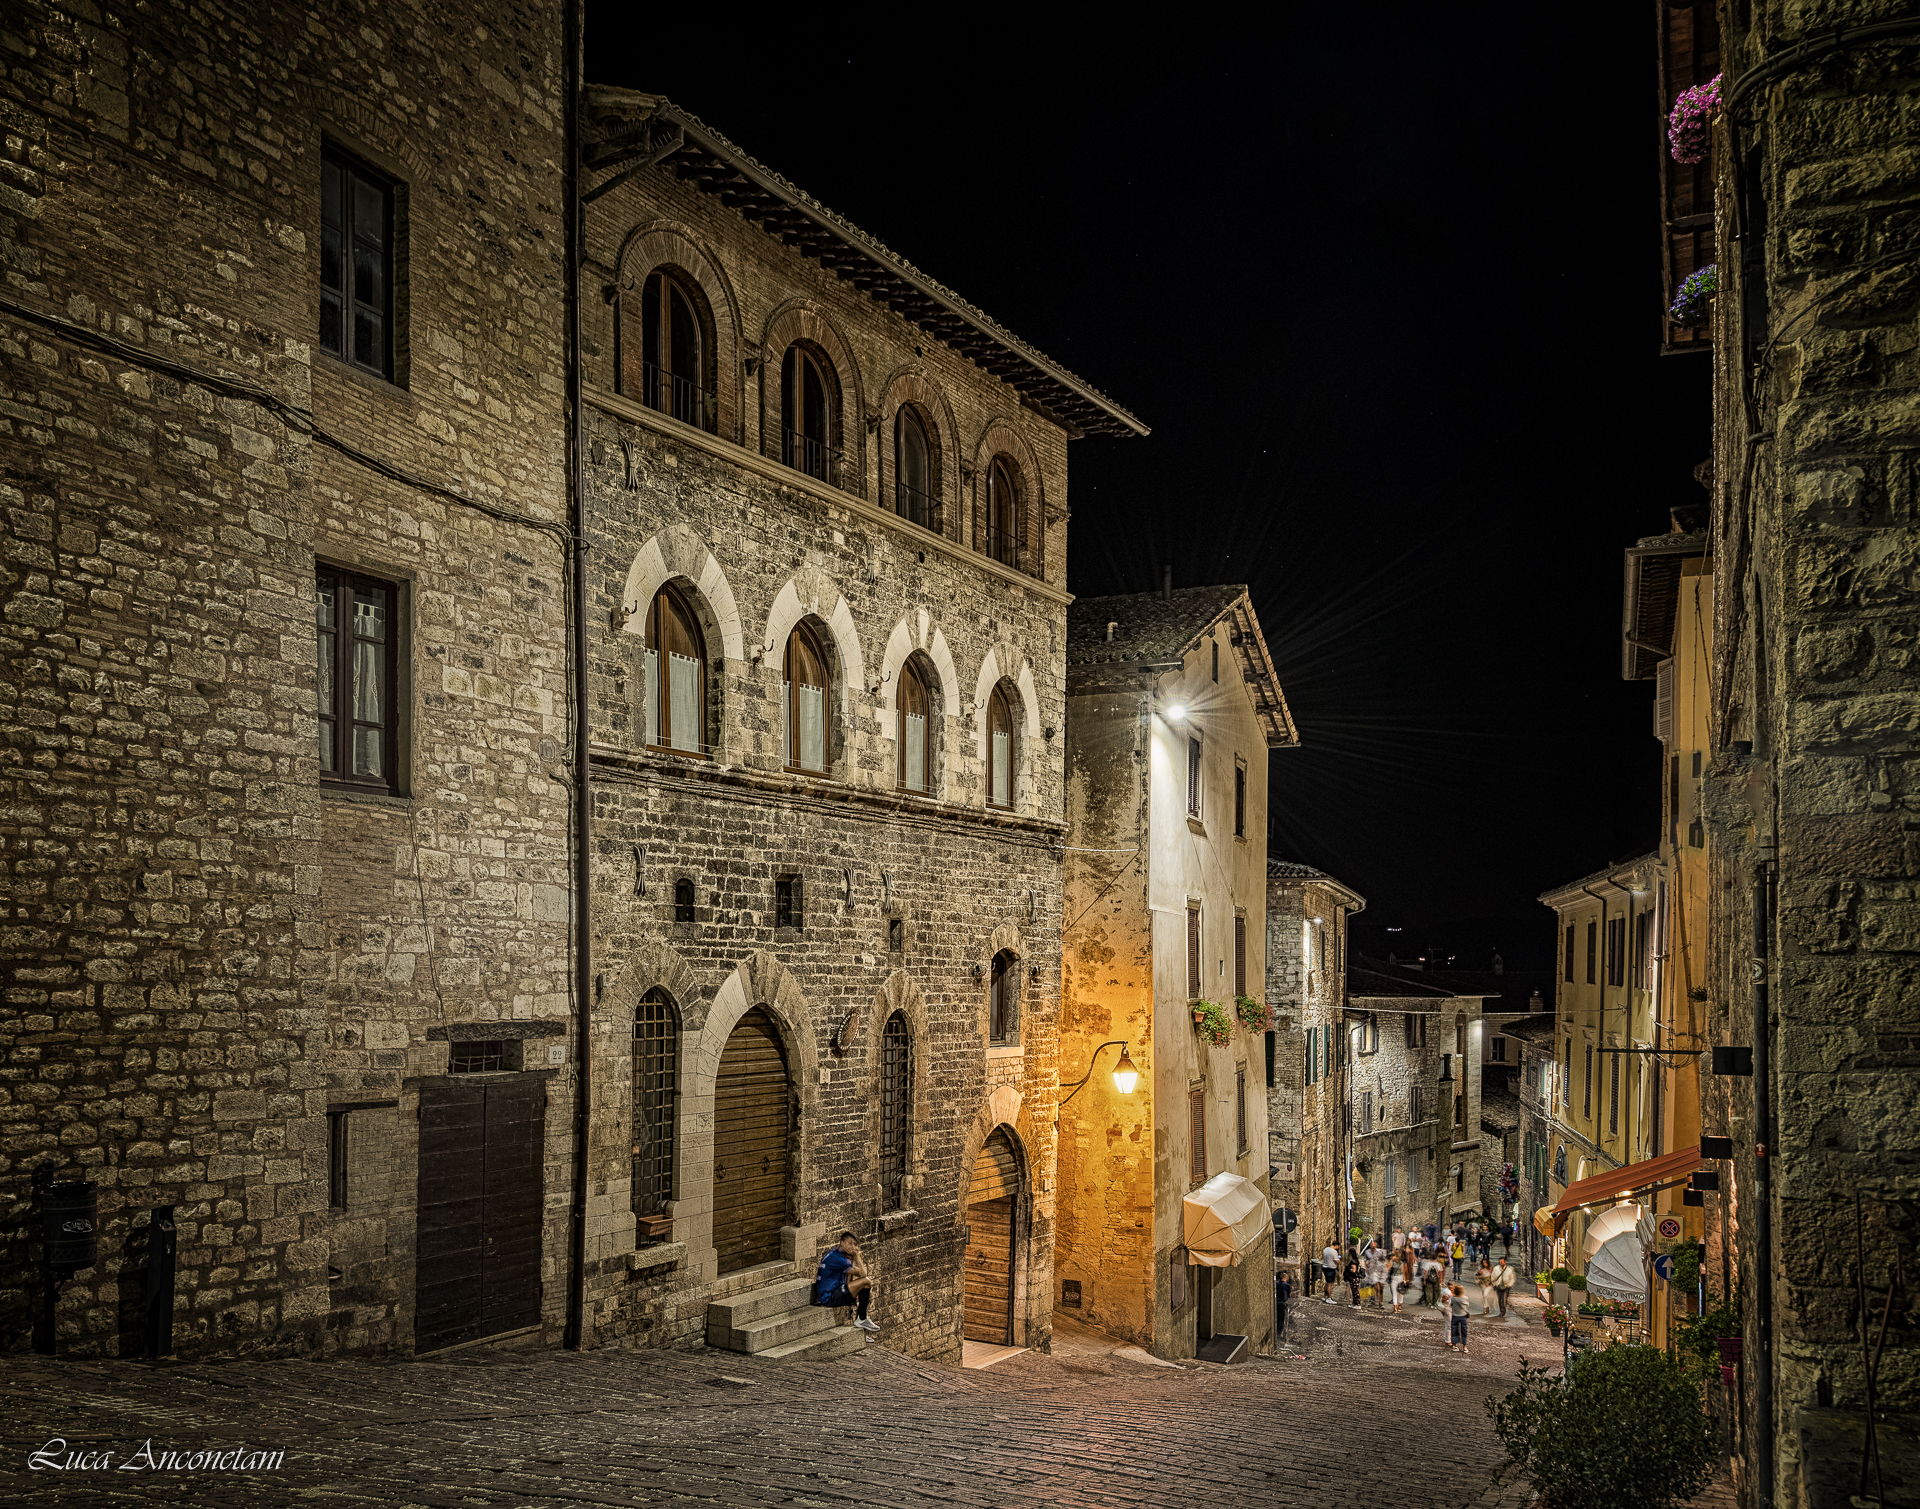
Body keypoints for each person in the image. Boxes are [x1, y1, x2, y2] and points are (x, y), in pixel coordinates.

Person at [814, 1231, 878, 1333]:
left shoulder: (835, 1255)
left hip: (830, 1293)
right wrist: (856, 1255)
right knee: (866, 1282)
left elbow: (850, 1274)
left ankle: (861, 1321)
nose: (852, 1247)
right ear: (842, 1243)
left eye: (854, 1244)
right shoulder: (838, 1259)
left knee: (865, 1294)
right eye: (850, 1243)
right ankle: (861, 1319)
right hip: (829, 1297)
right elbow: (863, 1274)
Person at [1492, 1253, 1517, 1318]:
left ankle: (1503, 1311)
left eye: (1502, 1262)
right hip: (1498, 1286)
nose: (1501, 1263)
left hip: (1506, 1287)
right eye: (1500, 1262)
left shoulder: (1509, 1269)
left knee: (1504, 1299)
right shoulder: (1496, 1269)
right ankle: (1501, 1311)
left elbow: (1512, 1278)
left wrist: (1509, 1285)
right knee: (1500, 1299)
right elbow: (1493, 1277)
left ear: (1505, 1262)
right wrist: (1495, 1284)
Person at [1449, 1282, 1470, 1354]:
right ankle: (1464, 1346)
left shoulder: (1452, 1299)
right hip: (1463, 1316)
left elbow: (1450, 1305)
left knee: (1454, 1330)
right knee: (1464, 1331)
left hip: (1455, 1316)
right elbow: (1467, 1305)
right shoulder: (1465, 1298)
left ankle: (1454, 1345)